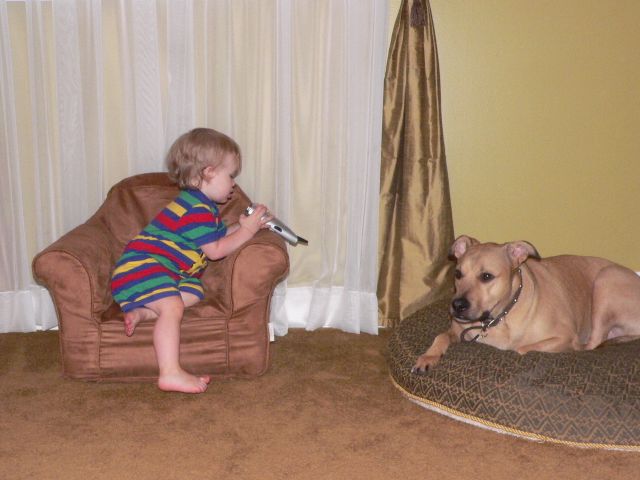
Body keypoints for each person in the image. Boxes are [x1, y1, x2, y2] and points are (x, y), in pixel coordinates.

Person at [110, 128, 271, 394]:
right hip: (142, 266)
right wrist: (247, 231)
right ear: (208, 173)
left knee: (193, 292)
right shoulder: (195, 208)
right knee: (174, 305)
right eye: (231, 176)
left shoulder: (202, 207)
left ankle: (145, 312)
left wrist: (243, 225)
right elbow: (215, 251)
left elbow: (217, 237)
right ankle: (170, 372)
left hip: (163, 273)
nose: (234, 184)